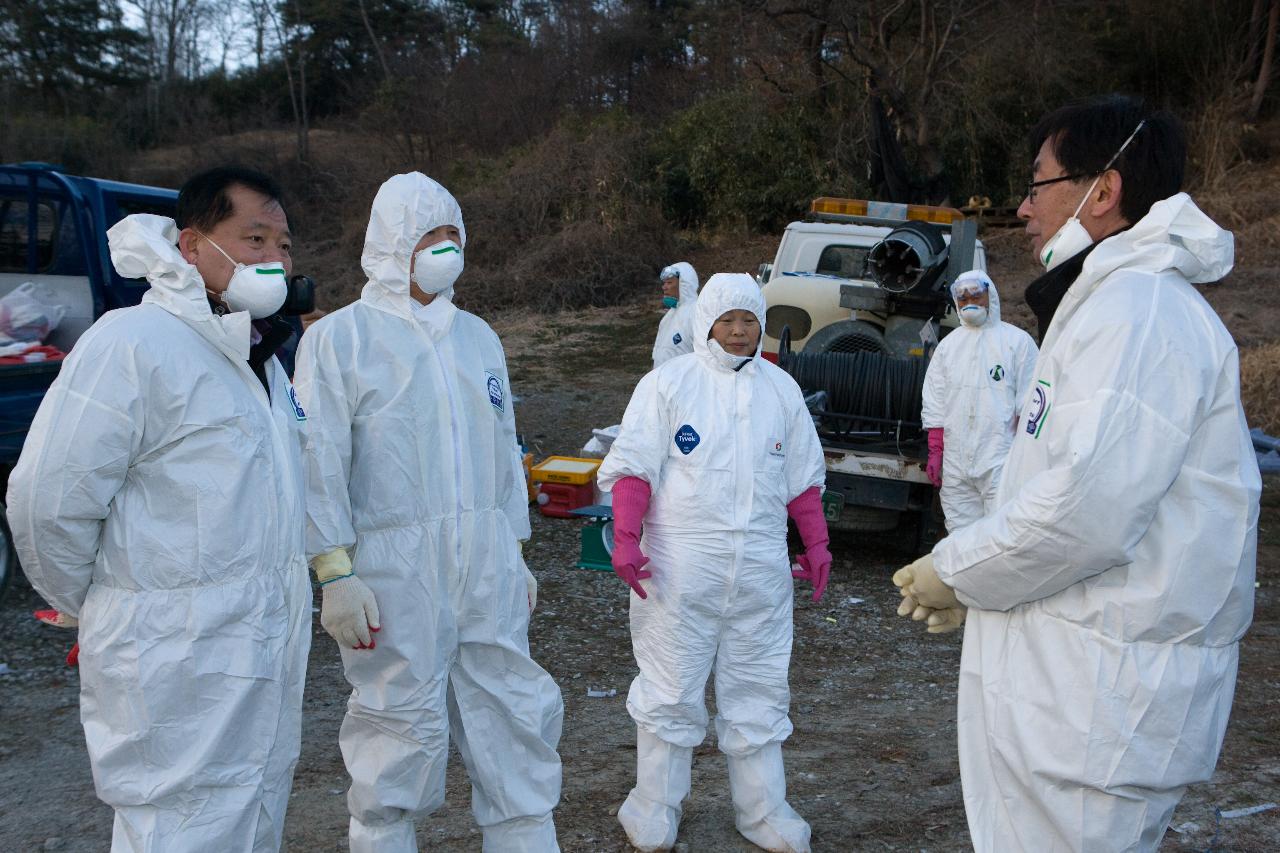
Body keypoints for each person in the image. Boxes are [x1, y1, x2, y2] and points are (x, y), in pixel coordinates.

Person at [893, 94, 1260, 851]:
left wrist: (959, 571)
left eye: (1037, 184)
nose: (1022, 209)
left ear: (1103, 190)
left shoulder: (1138, 313)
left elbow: (1086, 511)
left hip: (1095, 713)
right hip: (1079, 696)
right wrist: (992, 595)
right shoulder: (1111, 307)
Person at [6, 167, 312, 852]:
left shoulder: (259, 359)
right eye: (254, 238)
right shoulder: (132, 344)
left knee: (249, 818)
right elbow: (48, 499)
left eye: (285, 245)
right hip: (172, 659)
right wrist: (96, 601)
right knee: (177, 831)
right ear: (192, 245)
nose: (276, 260)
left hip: (255, 654)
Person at [293, 172, 563, 853]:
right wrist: (332, 571)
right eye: (428, 236)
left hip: (486, 559)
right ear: (391, 244)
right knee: (394, 727)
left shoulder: (478, 338)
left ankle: (526, 836)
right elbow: (315, 462)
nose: (445, 249)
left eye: (453, 235)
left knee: (512, 714)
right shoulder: (340, 342)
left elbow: (504, 450)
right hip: (390, 570)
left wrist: (516, 550)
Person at [597, 272, 830, 853]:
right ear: (706, 322)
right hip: (679, 569)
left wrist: (817, 544)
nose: (738, 330)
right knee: (670, 689)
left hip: (758, 570)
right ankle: (652, 805)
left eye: (749, 320)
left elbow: (802, 478)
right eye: (727, 319)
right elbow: (634, 466)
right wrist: (626, 538)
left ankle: (763, 808)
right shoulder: (667, 385)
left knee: (759, 689)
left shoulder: (780, 391)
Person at [920, 269, 1038, 531]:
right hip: (956, 461)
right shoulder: (948, 348)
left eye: (976, 294)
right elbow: (935, 399)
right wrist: (936, 449)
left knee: (1001, 531)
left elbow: (1031, 402)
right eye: (962, 297)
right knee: (959, 533)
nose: (970, 301)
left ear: (991, 296)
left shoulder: (1017, 343)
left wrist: (1027, 456)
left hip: (1000, 459)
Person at [652, 261, 698, 368]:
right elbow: (657, 355)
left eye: (669, 283)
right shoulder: (667, 317)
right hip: (661, 382)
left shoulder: (697, 312)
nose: (664, 287)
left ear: (684, 284)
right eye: (664, 283)